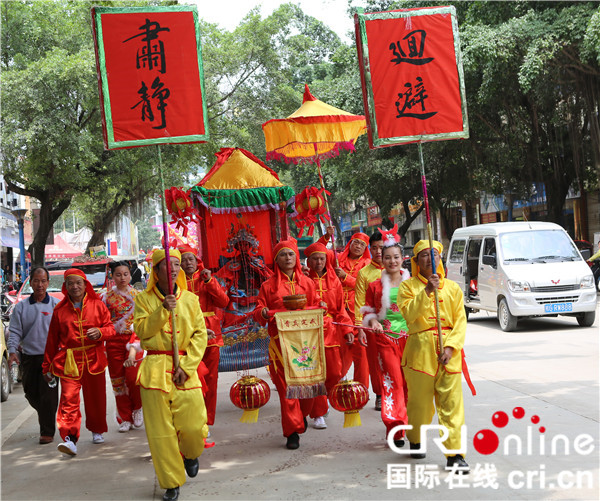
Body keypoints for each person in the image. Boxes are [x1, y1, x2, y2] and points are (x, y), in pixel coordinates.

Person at [134, 248, 208, 501]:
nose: (174, 269)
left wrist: (186, 367)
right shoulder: (143, 299)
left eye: (177, 264)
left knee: (194, 425)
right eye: (168, 265)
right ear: (156, 271)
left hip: (185, 367)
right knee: (160, 432)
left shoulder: (190, 299)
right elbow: (142, 331)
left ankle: (191, 452)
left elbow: (200, 334)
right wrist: (162, 310)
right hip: (155, 369)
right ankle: (171, 482)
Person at [399, 240, 470, 472]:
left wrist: (451, 347)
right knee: (419, 403)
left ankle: (455, 454)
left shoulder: (452, 288)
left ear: (440, 258)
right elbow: (409, 314)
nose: (430, 259)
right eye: (424, 256)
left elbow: (460, 321)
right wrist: (427, 291)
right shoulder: (407, 287)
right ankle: (416, 438)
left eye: (434, 255)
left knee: (451, 405)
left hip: (449, 351)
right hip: (419, 351)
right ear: (416, 261)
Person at [253, 239, 319, 450]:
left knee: (308, 387)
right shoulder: (268, 286)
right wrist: (261, 312)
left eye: (291, 254)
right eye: (283, 255)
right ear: (276, 259)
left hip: (306, 343)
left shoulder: (308, 283)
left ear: (296, 258)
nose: (288, 258)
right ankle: (292, 431)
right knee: (286, 389)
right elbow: (259, 308)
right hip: (280, 346)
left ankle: (303, 414)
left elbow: (316, 304)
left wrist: (321, 308)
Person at [42, 268, 115, 456]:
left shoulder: (98, 305)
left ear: (85, 285)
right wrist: (46, 366)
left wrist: (100, 332)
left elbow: (110, 328)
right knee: (68, 401)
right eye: (70, 283)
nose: (75, 287)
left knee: (96, 398)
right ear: (65, 287)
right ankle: (69, 438)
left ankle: (97, 429)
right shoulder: (59, 311)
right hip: (69, 361)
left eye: (78, 283)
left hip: (94, 358)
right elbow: (52, 341)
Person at [360, 234, 410, 446]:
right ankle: (395, 428)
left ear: (402, 258)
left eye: (396, 257)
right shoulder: (374, 286)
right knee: (392, 383)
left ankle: (407, 424)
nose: (392, 261)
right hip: (386, 339)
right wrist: (373, 323)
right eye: (387, 257)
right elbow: (368, 313)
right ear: (382, 260)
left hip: (411, 339)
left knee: (408, 385)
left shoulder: (413, 284)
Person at [303, 241, 352, 430]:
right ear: (308, 260)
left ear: (327, 260)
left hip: (331, 331)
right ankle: (318, 412)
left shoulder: (334, 281)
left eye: (322, 259)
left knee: (334, 372)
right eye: (314, 259)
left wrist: (348, 330)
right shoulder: (304, 280)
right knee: (315, 373)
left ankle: (324, 399)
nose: (318, 263)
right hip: (311, 331)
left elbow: (341, 310)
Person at [7, 267, 60, 444]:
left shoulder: (55, 306)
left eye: (43, 281)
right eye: (36, 281)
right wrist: (13, 351)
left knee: (49, 396)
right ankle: (46, 413)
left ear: (48, 283)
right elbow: (14, 331)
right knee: (30, 393)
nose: (40, 284)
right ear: (30, 282)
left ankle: (47, 431)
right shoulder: (21, 307)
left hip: (50, 358)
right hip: (29, 358)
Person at [179, 244, 229, 430]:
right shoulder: (175, 282)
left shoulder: (206, 278)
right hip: (185, 334)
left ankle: (206, 421)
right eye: (183, 260)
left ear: (197, 260)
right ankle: (191, 419)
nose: (187, 263)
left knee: (210, 379)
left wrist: (210, 282)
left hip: (210, 334)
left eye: (191, 259)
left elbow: (223, 302)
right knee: (189, 378)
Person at [318, 227, 371, 389]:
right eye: (355, 242)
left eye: (362, 244)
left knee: (361, 351)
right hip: (338, 310)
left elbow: (365, 285)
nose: (358, 246)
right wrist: (327, 236)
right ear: (350, 243)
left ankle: (361, 388)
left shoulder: (367, 263)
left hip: (357, 313)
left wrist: (345, 277)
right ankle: (336, 382)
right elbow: (318, 251)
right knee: (338, 349)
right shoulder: (337, 257)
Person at [101, 261, 143, 432]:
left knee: (134, 378)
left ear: (130, 274)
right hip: (113, 342)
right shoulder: (105, 298)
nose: (122, 277)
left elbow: (142, 320)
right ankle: (124, 417)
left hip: (135, 340)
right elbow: (102, 320)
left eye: (125, 274)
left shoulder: (139, 296)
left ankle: (137, 408)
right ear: (113, 276)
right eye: (118, 274)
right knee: (118, 381)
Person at [354, 230, 385, 410]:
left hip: (395, 324)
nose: (379, 252)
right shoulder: (364, 273)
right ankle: (380, 394)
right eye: (375, 248)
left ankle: (396, 392)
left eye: (382, 247)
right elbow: (359, 303)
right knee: (375, 362)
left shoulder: (398, 270)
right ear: (370, 249)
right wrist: (360, 329)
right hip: (372, 323)